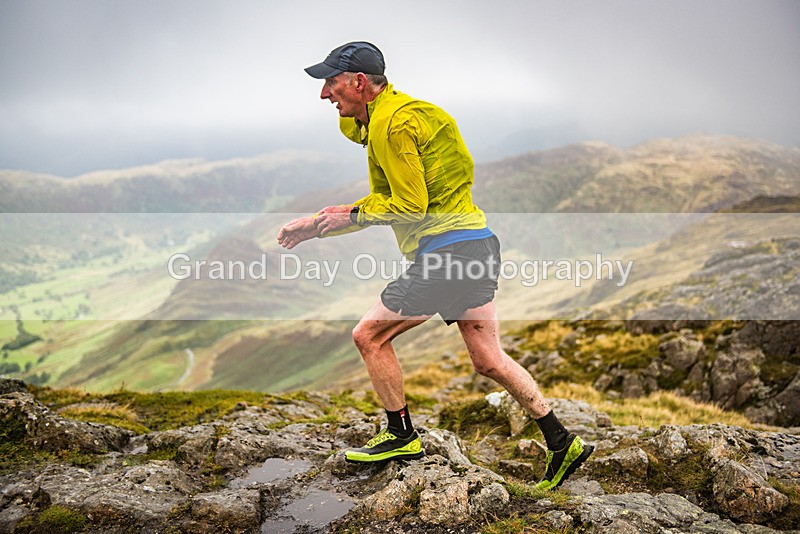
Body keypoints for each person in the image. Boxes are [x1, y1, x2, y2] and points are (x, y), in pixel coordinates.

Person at [277, 41, 592, 490]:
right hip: (479, 245)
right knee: (488, 359)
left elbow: (409, 205)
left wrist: (331, 220)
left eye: (332, 82)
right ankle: (563, 443)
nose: (325, 94)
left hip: (447, 255)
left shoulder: (394, 125)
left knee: (369, 335)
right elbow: (364, 135)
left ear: (360, 82)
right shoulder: (405, 112)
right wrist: (323, 221)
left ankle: (401, 435)